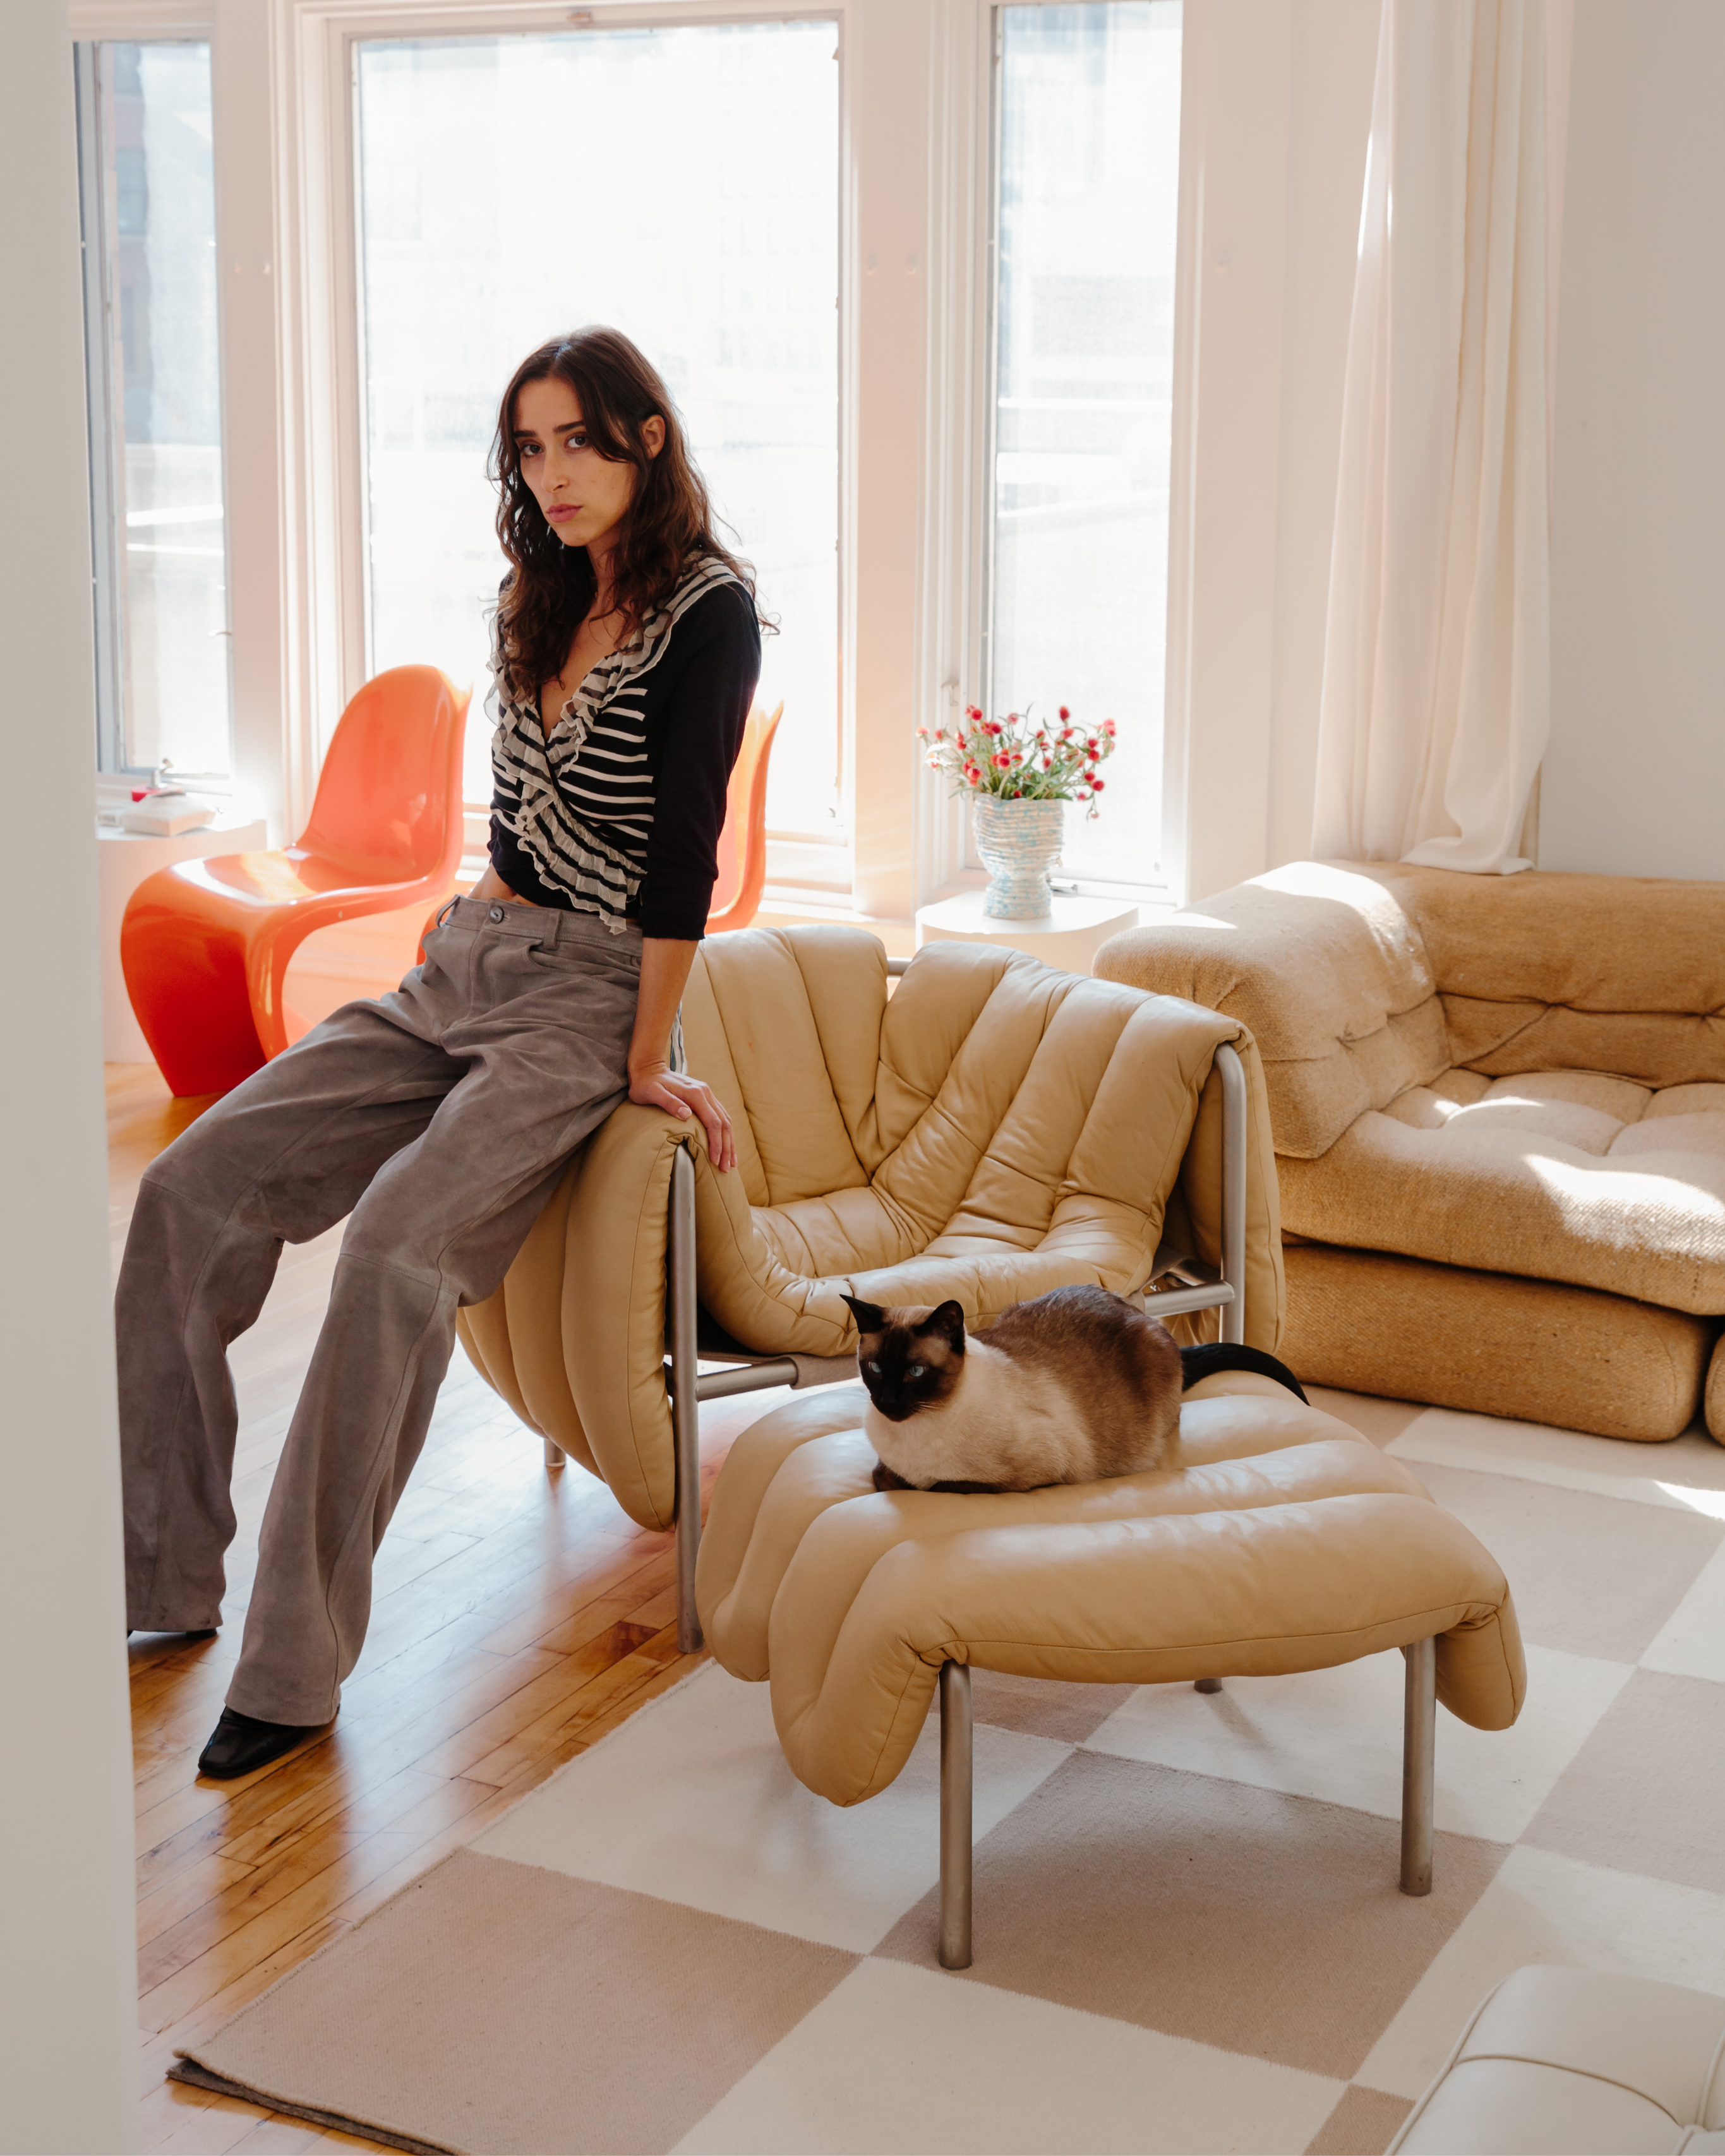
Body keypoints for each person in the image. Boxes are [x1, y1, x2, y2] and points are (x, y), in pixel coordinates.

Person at [117, 328, 760, 1779]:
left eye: (580, 443)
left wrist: (644, 1055)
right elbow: (522, 817)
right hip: (460, 958)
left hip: (587, 993)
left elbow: (680, 868)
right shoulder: (532, 594)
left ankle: (291, 1668)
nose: (554, 476)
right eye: (529, 451)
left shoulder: (709, 616)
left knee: (395, 1251)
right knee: (192, 1188)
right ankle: (160, 1582)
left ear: (647, 439)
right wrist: (462, 945)